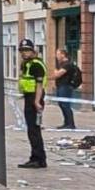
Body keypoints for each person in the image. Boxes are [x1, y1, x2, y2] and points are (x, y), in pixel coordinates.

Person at [17, 39, 47, 168]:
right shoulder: (26, 64)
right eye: (22, 51)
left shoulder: (36, 65)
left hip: (34, 99)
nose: (24, 53)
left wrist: (36, 101)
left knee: (34, 130)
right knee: (32, 129)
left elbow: (39, 85)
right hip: (29, 97)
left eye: (26, 50)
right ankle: (38, 157)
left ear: (32, 51)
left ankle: (38, 158)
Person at [50, 49, 81, 130]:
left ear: (63, 55)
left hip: (66, 86)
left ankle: (71, 124)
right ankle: (66, 122)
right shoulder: (61, 64)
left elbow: (57, 75)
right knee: (61, 104)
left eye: (58, 54)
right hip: (60, 86)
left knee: (65, 105)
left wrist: (55, 72)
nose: (56, 56)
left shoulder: (67, 64)